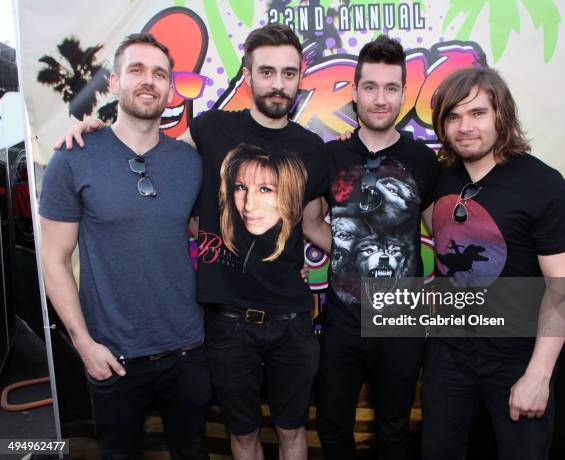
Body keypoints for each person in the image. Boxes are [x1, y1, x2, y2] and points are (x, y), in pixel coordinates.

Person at [55, 24, 327, 460]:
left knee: (294, 432)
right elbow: (148, 152)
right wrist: (94, 131)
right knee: (241, 435)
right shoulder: (210, 129)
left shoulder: (314, 148)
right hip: (226, 322)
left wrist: (357, 258)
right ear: (248, 74)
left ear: (301, 76)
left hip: (291, 320)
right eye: (267, 71)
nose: (278, 83)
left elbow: (313, 222)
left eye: (289, 73)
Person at [40, 33, 210, 459]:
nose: (148, 81)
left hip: (187, 349)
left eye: (159, 73)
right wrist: (83, 343)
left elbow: (208, 234)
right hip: (112, 356)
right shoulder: (73, 158)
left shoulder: (190, 161)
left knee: (192, 451)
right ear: (114, 83)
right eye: (136, 70)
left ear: (171, 90)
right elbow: (53, 259)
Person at [422, 67, 565, 459]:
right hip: (449, 354)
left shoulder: (543, 185)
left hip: (517, 358)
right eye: (453, 116)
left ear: (502, 115)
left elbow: (563, 287)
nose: (465, 126)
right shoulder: (440, 177)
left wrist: (538, 374)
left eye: (477, 113)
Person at [303, 35, 439, 459]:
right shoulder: (330, 156)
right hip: (342, 321)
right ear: (357, 90)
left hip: (401, 325)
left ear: (404, 91)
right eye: (371, 87)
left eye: (392, 88)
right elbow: (309, 222)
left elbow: (441, 232)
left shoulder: (423, 160)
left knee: (395, 431)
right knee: (331, 427)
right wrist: (351, 245)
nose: (381, 99)